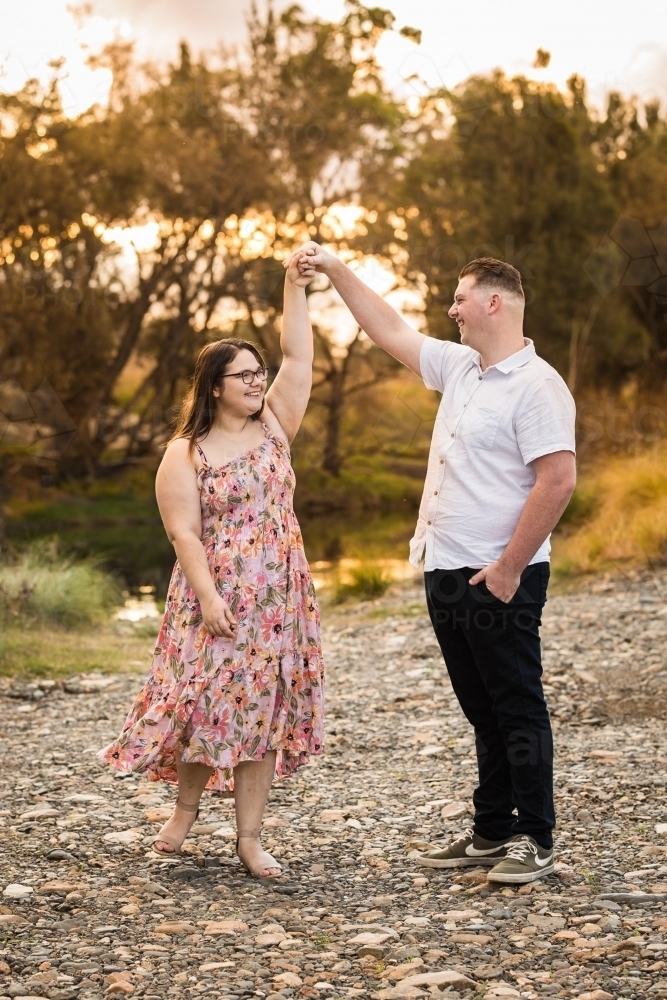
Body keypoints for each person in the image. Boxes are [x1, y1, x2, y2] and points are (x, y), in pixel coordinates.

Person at [284, 245, 576, 884]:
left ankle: (536, 835)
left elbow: (556, 481)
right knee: (481, 707)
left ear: (493, 303)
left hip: (500, 574)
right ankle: (492, 829)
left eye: (460, 297)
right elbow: (386, 328)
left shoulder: (538, 385)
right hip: (443, 565)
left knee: (517, 703)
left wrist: (506, 570)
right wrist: (333, 270)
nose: (451, 309)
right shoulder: (460, 367)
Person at [99, 255, 324, 878]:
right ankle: (185, 812)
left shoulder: (278, 425)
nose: (257, 382)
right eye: (244, 375)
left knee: (262, 712)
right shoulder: (186, 452)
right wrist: (208, 597)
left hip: (280, 596)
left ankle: (250, 839)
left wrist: (291, 287)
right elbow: (184, 533)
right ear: (215, 387)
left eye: (259, 372)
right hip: (215, 594)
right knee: (205, 705)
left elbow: (299, 356)